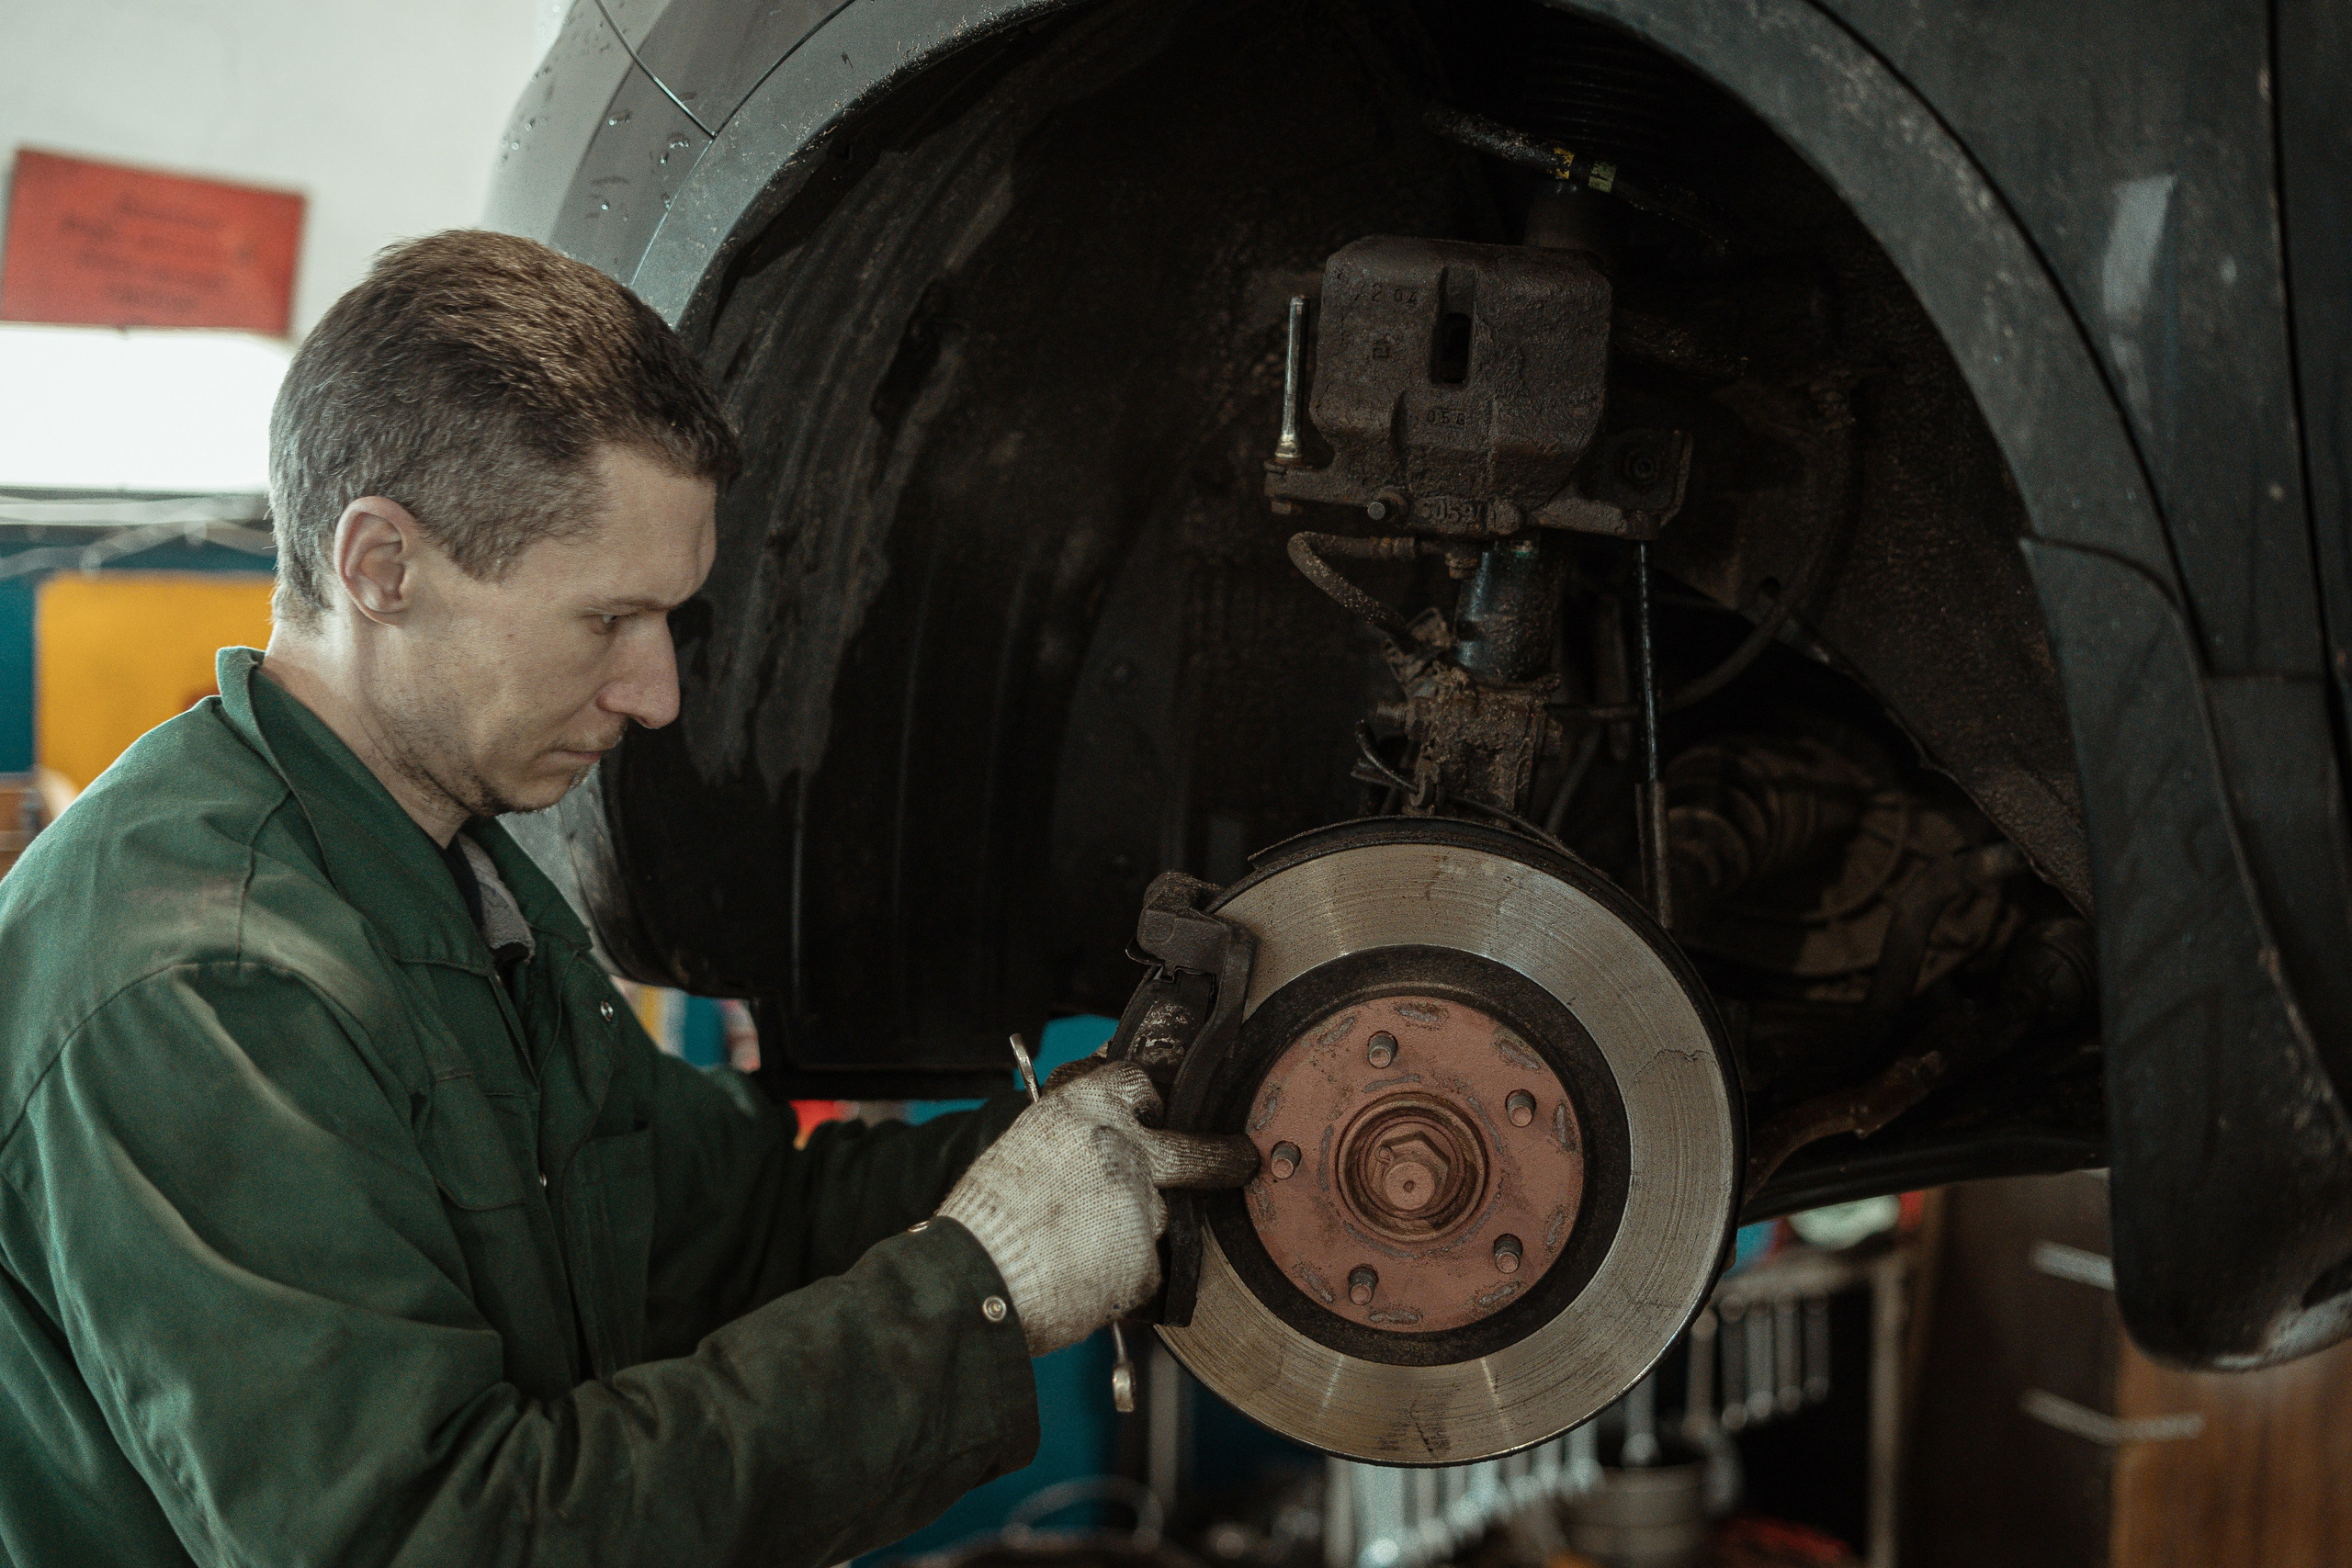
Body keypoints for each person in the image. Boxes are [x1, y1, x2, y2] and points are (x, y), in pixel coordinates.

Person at [0, 231, 1257, 1566]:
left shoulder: (448, 881)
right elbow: (432, 1542)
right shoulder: (206, 982)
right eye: (606, 620)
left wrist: (1100, 1147)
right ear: (381, 568)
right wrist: (981, 1294)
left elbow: (733, 1227)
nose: (656, 695)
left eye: (670, 621)